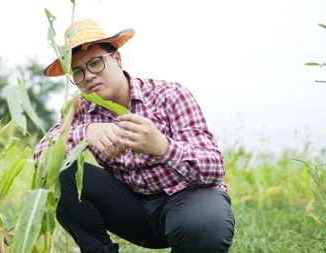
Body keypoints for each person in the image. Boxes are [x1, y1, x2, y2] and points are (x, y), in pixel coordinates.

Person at [33, 18, 235, 253]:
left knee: (202, 226)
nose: (88, 76)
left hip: (187, 202)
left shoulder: (169, 95)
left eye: (95, 63)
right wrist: (85, 132)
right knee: (59, 171)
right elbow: (40, 158)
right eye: (78, 72)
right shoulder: (83, 110)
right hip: (134, 210)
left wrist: (163, 147)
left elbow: (213, 168)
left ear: (117, 59)